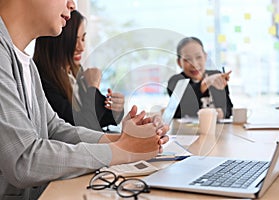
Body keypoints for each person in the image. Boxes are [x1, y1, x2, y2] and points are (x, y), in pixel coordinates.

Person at [0, 1, 169, 199]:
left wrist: (125, 140)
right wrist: (123, 150)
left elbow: (54, 130)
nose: (72, 4)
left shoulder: (26, 65)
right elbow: (23, 160)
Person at [33, 10, 124, 132]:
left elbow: (100, 116)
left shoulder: (75, 73)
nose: (81, 48)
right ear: (56, 41)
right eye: (74, 40)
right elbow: (85, 125)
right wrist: (93, 87)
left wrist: (116, 110)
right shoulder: (42, 80)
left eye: (83, 39)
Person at [167, 37, 233, 119]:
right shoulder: (176, 81)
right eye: (187, 59)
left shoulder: (216, 76)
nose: (194, 64)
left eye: (198, 57)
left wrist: (221, 113)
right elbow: (183, 109)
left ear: (205, 57)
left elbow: (228, 109)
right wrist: (205, 83)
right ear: (179, 62)